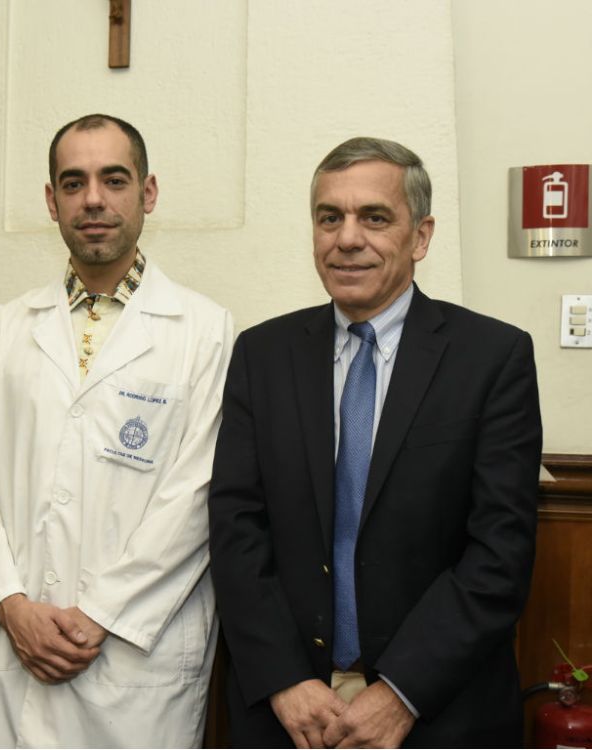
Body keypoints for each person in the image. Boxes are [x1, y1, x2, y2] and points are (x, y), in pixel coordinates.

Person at [208, 136, 542, 748]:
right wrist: (284, 679)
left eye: (375, 217)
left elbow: (500, 552)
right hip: (286, 715)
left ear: (421, 236)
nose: (347, 238)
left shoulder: (492, 358)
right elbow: (235, 528)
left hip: (441, 711)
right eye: (329, 217)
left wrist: (402, 692)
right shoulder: (263, 354)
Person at [0, 113, 233, 747]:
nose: (94, 199)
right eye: (73, 183)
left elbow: (194, 498)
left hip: (135, 663)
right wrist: (11, 607)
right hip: (15, 647)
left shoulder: (205, 330)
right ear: (52, 202)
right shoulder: (8, 326)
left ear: (147, 193)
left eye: (114, 179)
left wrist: (101, 615)